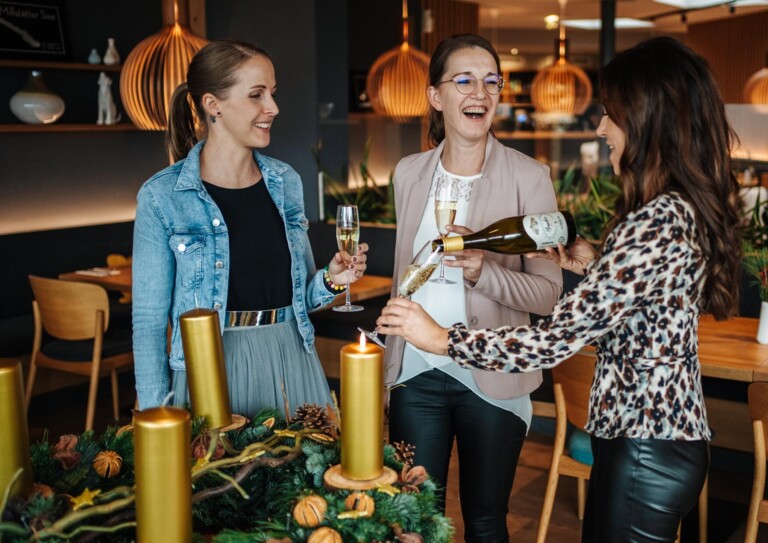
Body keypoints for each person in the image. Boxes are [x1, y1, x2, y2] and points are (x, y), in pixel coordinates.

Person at [378, 36, 742, 542]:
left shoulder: (655, 219)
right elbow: (648, 303)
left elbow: (552, 339)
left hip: (645, 444)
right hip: (653, 437)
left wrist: (442, 338)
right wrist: (597, 264)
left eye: (612, 113)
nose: (601, 128)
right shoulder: (675, 211)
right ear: (435, 96)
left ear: (648, 119)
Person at [384, 34, 563, 542]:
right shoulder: (408, 174)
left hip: (494, 374)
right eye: (463, 80)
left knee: (485, 522)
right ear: (436, 96)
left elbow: (547, 294)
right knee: (416, 523)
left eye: (490, 81)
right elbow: (407, 276)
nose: (479, 92)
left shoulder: (530, 177)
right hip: (415, 374)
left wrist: (483, 270)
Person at [132, 40, 368, 417]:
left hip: (292, 359)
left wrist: (333, 279)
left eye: (272, 93)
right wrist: (154, 418)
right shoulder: (162, 196)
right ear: (213, 105)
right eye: (257, 95)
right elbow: (148, 323)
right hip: (210, 370)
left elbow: (301, 297)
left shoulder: (286, 182)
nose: (273, 107)